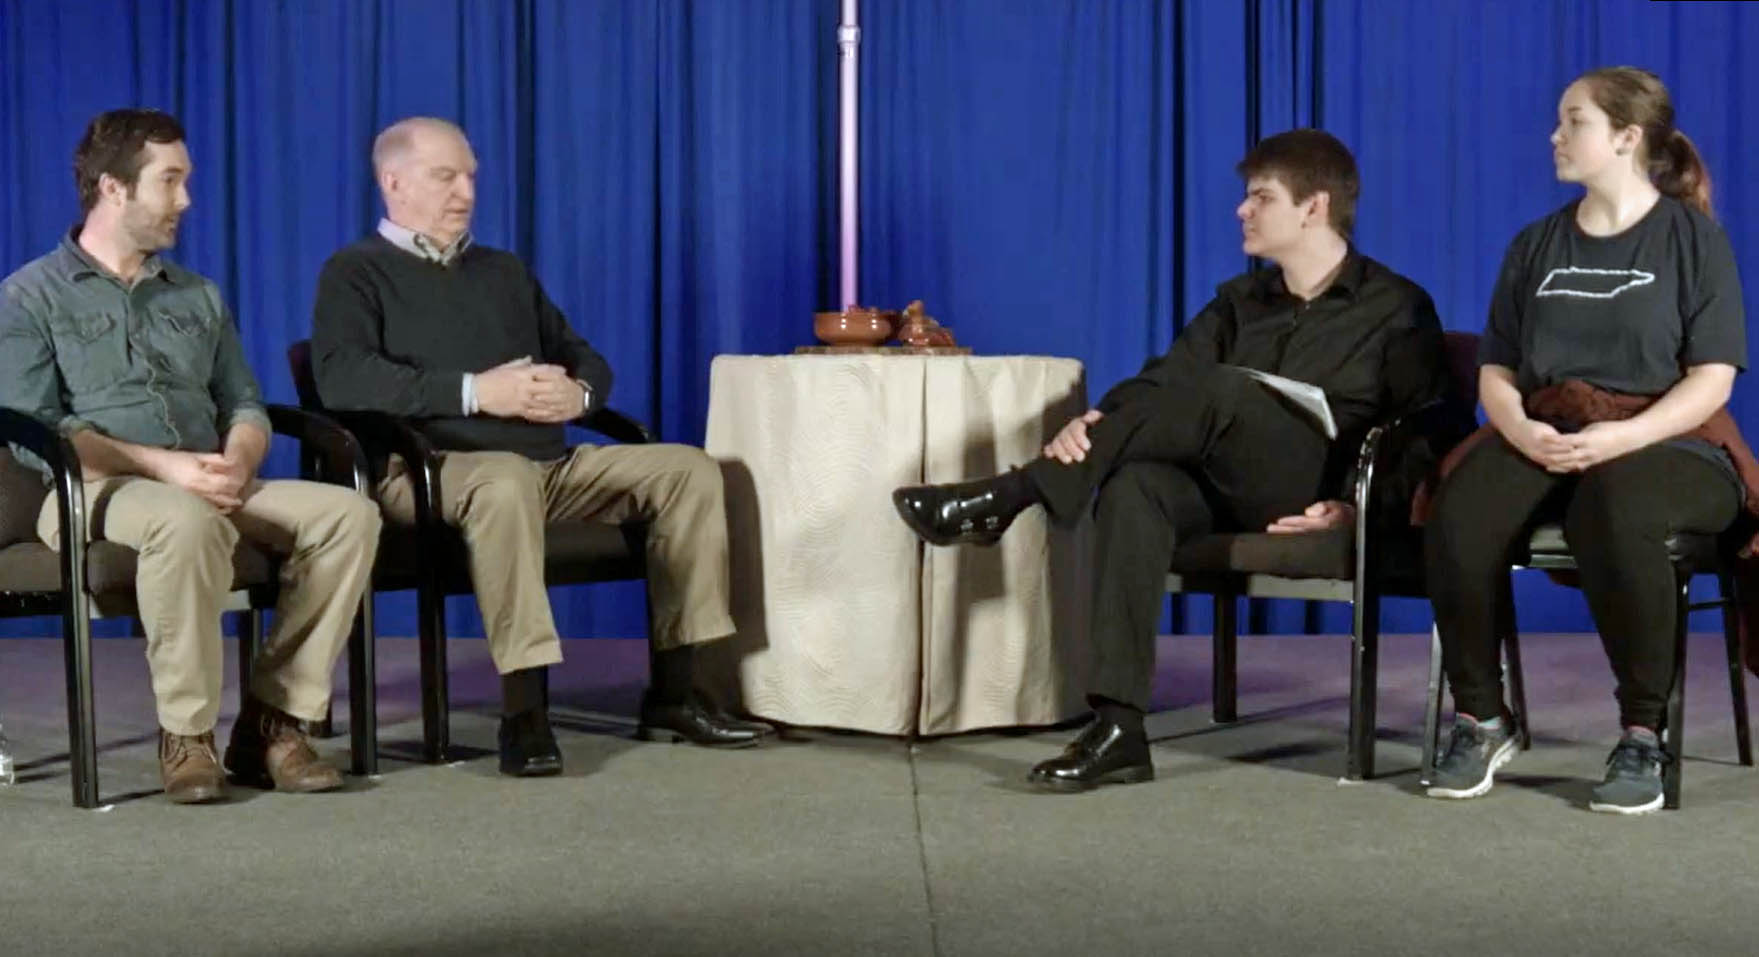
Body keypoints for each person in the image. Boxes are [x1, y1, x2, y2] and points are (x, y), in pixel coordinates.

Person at [892, 129, 1448, 792]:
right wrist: (1094, 424)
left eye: (1259, 197)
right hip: (1223, 481)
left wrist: (1359, 506)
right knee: (1135, 485)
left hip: (1312, 487)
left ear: (1313, 207)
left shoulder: (1395, 306)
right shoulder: (1238, 303)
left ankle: (1012, 495)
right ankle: (1118, 727)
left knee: (1223, 385)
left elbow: (1429, 430)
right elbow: (1163, 381)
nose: (1242, 210)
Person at [311, 117, 766, 778]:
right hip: (428, 472)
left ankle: (679, 691)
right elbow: (343, 377)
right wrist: (476, 391)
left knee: (687, 469)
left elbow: (582, 357)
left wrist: (577, 397)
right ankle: (525, 712)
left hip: (545, 464)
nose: (465, 191)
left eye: (470, 175)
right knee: (503, 478)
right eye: (446, 177)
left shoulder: (501, 270)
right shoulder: (354, 272)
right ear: (394, 182)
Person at [0, 109, 382, 804]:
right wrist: (164, 466)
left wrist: (239, 455)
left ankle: (274, 722)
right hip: (89, 490)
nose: (187, 200)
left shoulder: (197, 296)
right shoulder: (28, 296)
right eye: (170, 181)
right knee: (183, 517)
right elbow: (42, 428)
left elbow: (244, 402)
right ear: (114, 189)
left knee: (349, 513)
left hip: (206, 476)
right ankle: (187, 732)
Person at [1423, 68, 1747, 815]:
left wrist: (1621, 437)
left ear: (1627, 138)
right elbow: (1496, 368)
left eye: (1573, 122)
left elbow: (1711, 380)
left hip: (1670, 436)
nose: (1554, 136)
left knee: (1613, 504)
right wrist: (1520, 427)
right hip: (1545, 428)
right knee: (1457, 507)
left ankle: (1641, 732)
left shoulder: (1693, 241)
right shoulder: (1534, 244)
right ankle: (1480, 716)